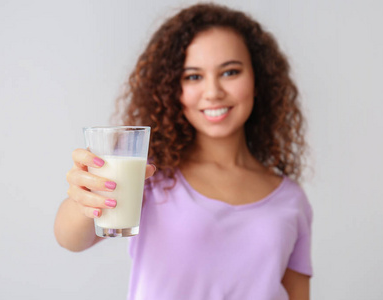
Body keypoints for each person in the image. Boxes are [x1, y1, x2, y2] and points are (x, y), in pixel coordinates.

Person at [54, 3, 313, 300]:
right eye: (193, 76)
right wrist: (85, 196)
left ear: (258, 81)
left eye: (230, 72)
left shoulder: (292, 200)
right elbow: (70, 238)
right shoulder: (149, 174)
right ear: (171, 89)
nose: (213, 91)